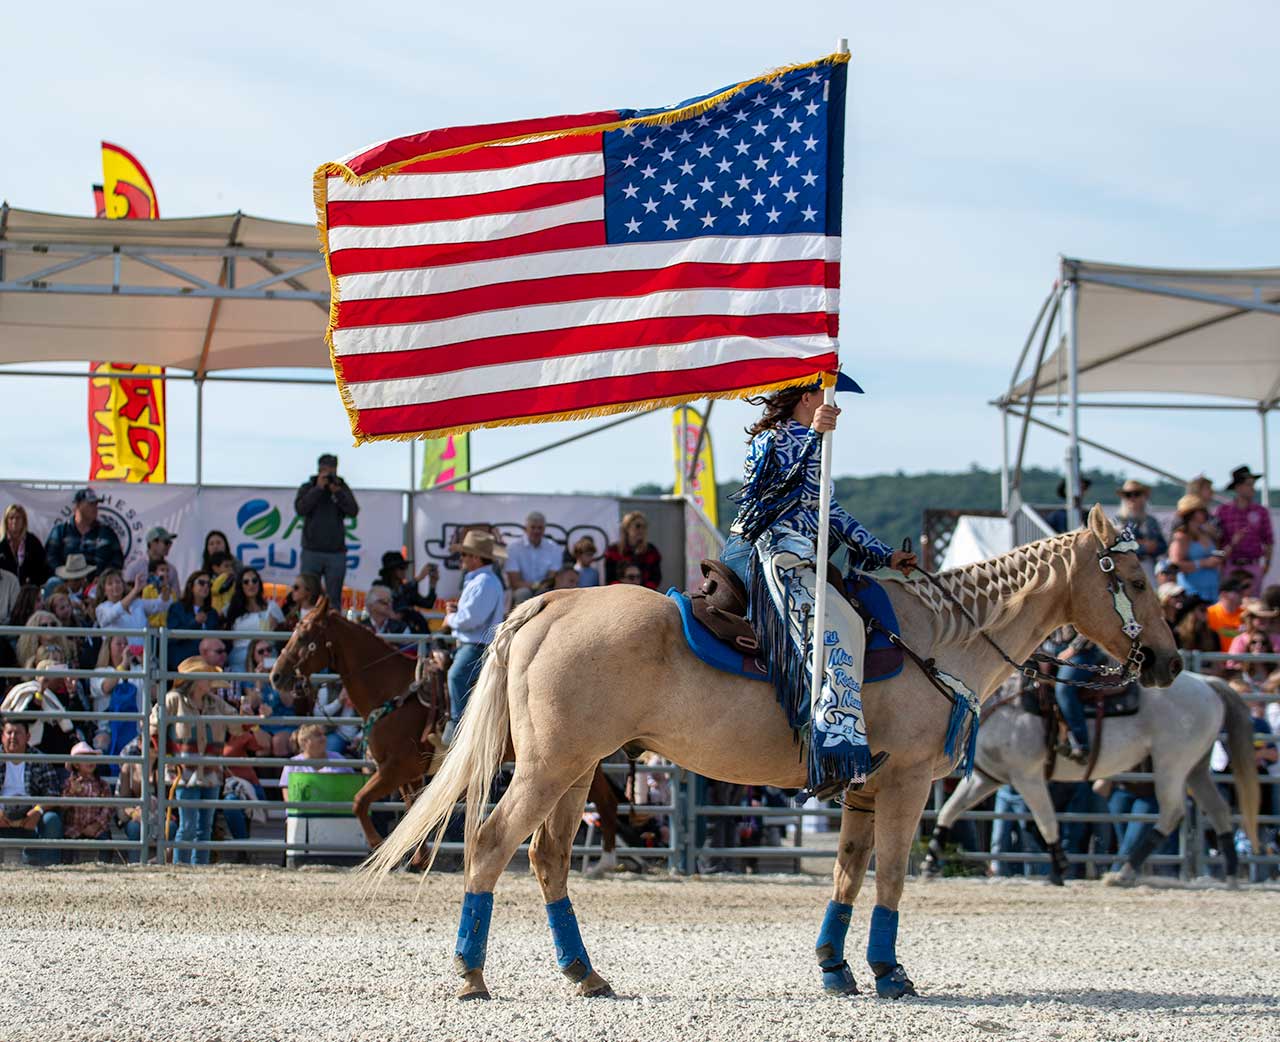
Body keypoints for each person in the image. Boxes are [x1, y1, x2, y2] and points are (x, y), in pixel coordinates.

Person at [720, 378, 914, 793]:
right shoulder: (770, 440)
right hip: (774, 555)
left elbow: (831, 513)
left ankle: (844, 757)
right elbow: (764, 492)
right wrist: (813, 437)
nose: (836, 408)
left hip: (806, 559)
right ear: (808, 397)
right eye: (829, 398)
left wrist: (884, 554)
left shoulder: (819, 445)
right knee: (832, 644)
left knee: (851, 630)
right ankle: (830, 762)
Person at [150, 656, 239, 866]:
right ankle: (181, 867)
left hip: (211, 771)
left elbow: (237, 725)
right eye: (206, 676)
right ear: (195, 679)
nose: (210, 682)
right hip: (183, 772)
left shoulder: (217, 703)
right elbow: (154, 727)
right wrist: (168, 756)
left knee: (204, 827)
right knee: (188, 825)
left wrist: (252, 719)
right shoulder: (173, 699)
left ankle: (199, 867)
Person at [441, 531, 507, 745]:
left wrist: (451, 617)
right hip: (474, 643)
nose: (461, 560)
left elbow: (471, 619)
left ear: (475, 558)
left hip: (475, 645)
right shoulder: (483, 581)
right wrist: (457, 612)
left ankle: (459, 728)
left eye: (464, 555)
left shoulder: (484, 582)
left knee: (455, 676)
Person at [295, 453, 360, 605]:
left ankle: (332, 627)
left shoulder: (341, 487)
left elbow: (353, 511)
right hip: (312, 551)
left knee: (334, 598)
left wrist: (337, 492)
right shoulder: (308, 487)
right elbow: (300, 509)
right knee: (308, 595)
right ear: (319, 469)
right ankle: (307, 626)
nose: (329, 473)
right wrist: (318, 488)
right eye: (325, 469)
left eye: (332, 469)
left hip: (336, 553)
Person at [0, 718, 65, 866]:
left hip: (30, 814)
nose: (13, 737)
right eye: (9, 732)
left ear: (28, 737)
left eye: (18, 733)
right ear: (2, 736)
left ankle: (45, 869)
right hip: (2, 815)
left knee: (51, 820)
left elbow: (53, 792)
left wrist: (38, 810)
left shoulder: (40, 759)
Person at [1216, 466, 1274, 596]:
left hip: (1252, 565)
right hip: (1230, 565)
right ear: (1238, 488)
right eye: (1249, 485)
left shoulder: (1261, 511)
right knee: (1230, 603)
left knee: (1252, 604)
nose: (1252, 488)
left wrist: (1267, 564)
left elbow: (1268, 540)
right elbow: (1217, 541)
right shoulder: (1222, 511)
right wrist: (1220, 562)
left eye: (1252, 484)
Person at [89, 635, 144, 767]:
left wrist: (145, 663)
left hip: (137, 729)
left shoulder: (139, 671)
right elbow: (106, 687)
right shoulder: (100, 671)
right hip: (107, 729)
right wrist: (124, 664)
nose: (124, 647)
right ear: (108, 648)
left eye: (126, 644)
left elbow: (154, 693)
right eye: (119, 644)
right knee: (101, 744)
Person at [239, 637, 297, 758]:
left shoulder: (285, 674)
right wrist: (259, 682)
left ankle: (281, 777)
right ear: (253, 657)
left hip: (285, 722)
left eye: (269, 650)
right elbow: (252, 704)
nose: (266, 654)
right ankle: (264, 777)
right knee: (262, 747)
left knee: (278, 741)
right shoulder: (250, 679)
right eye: (261, 652)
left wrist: (276, 677)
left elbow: (289, 702)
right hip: (263, 724)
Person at [44, 488, 124, 576]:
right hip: (65, 582)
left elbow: (117, 560)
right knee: (52, 583)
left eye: (96, 504)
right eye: (91, 504)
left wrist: (104, 578)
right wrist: (65, 577)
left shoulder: (107, 532)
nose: (95, 508)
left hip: (98, 584)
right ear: (77, 506)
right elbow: (50, 558)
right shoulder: (60, 531)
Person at [223, 567, 285, 675]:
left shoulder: (272, 606)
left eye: (254, 580)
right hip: (241, 654)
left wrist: (275, 627)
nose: (251, 584)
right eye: (246, 582)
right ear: (240, 586)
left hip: (267, 652)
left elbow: (283, 633)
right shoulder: (231, 608)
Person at [61, 741, 113, 853]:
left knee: (106, 843)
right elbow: (63, 806)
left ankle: (107, 865)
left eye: (92, 758)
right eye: (85, 758)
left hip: (97, 829)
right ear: (76, 764)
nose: (90, 761)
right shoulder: (69, 783)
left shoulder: (102, 784)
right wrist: (72, 792)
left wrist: (97, 824)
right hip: (73, 829)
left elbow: (107, 808)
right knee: (66, 846)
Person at [1170, 495, 1222, 604]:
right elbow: (1175, 564)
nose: (1205, 513)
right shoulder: (1182, 536)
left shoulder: (1206, 533)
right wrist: (1203, 563)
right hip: (1192, 590)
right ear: (1191, 514)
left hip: (1212, 587)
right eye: (1201, 510)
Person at [1111, 480, 1167, 581]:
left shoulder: (1151, 521)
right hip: (1127, 569)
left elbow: (1163, 545)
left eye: (1136, 494)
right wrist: (1144, 547)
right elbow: (1117, 547)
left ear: (1144, 496)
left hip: (1149, 567)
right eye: (1128, 495)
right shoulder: (1117, 521)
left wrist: (1154, 547)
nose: (1132, 498)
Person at [505, 511, 564, 604]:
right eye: (533, 527)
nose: (536, 531)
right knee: (523, 593)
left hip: (545, 589)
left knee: (545, 594)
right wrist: (537, 586)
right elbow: (514, 582)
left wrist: (540, 587)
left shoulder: (554, 548)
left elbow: (552, 578)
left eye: (540, 528)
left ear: (544, 529)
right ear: (525, 529)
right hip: (521, 590)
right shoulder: (513, 548)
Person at [166, 571, 222, 669]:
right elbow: (172, 637)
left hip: (207, 664)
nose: (206, 586)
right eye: (201, 583)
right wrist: (195, 622)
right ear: (191, 586)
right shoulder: (177, 608)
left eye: (209, 584)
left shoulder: (212, 613)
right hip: (183, 663)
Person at [279, 723, 354, 789]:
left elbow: (351, 783)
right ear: (305, 741)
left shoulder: (338, 758)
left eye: (324, 734)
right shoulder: (293, 764)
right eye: (318, 735)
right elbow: (286, 791)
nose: (324, 738)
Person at [93, 567, 169, 633]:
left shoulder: (137, 603)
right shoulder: (102, 609)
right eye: (110, 584)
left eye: (118, 582)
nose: (115, 585)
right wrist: (135, 591)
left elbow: (162, 605)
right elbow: (114, 612)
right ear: (104, 591)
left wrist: (164, 586)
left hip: (144, 649)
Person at [605, 511, 663, 588]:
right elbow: (610, 578)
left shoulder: (651, 551)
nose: (641, 530)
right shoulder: (613, 550)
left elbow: (656, 578)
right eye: (638, 526)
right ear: (627, 528)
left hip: (645, 594)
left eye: (644, 526)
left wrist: (643, 591)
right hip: (620, 594)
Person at [377, 551, 438, 624]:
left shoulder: (408, 590)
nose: (404, 570)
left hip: (407, 631)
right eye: (401, 568)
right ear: (391, 571)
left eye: (405, 567)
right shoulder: (379, 586)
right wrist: (418, 579)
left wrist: (433, 584)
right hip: (388, 631)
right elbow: (393, 595)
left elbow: (428, 604)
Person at [0, 504, 50, 586]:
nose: (14, 521)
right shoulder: (1, 543)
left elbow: (43, 568)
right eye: (11, 518)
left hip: (29, 589)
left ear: (24, 521)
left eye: (18, 518)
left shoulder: (32, 541)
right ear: (6, 521)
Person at [1206, 579, 1247, 653]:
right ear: (1223, 594)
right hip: (1215, 660)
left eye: (1242, 592)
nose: (1242, 594)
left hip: (1238, 661)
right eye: (1237, 592)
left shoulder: (1246, 614)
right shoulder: (1209, 613)